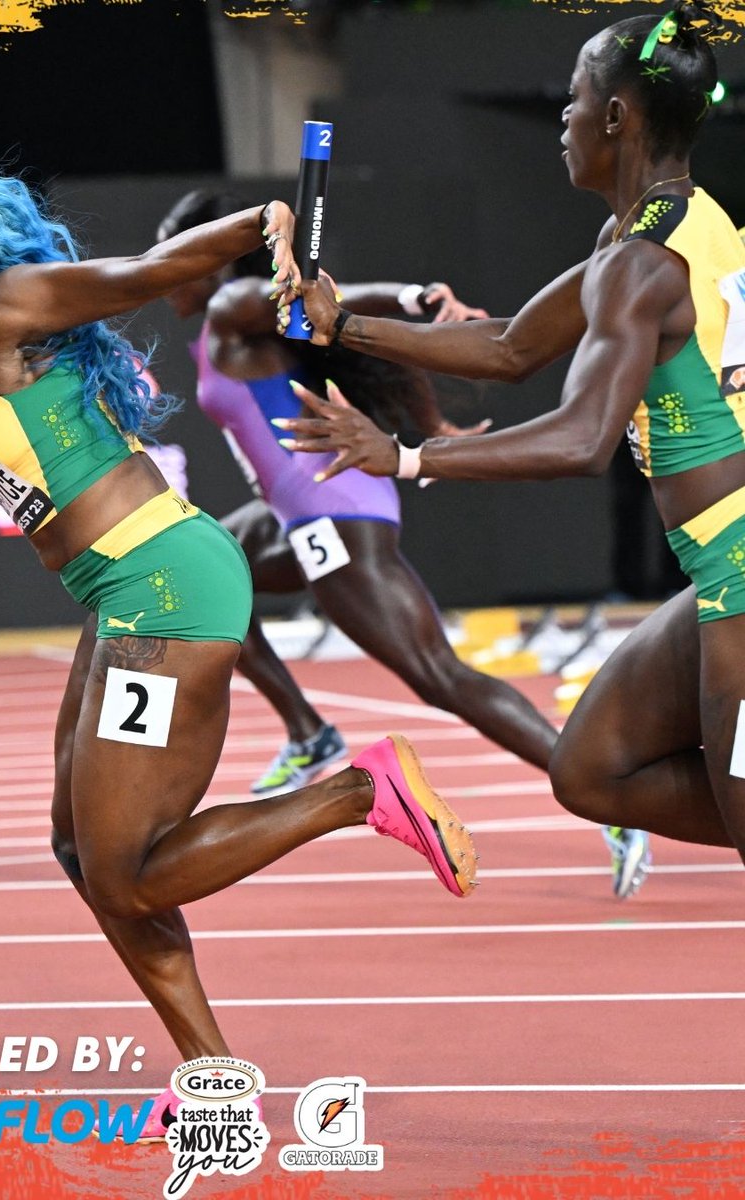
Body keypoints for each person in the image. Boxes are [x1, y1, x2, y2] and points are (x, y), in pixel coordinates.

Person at [0, 168, 478, 1141]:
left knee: (128, 871)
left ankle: (355, 791)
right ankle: (215, 1074)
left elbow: (145, 271)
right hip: (125, 594)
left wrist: (262, 220)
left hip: (167, 585)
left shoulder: (3, 311)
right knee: (83, 851)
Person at [275, 4, 743, 876]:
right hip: (722, 564)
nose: (560, 119)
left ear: (615, 116)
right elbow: (512, 345)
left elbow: (578, 439)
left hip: (742, 567)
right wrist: (341, 327)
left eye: (573, 98)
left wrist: (409, 455)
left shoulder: (640, 266)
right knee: (591, 768)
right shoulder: (660, 230)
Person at [155, 189, 558, 786]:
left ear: (206, 257)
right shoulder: (236, 329)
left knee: (438, 677)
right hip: (303, 510)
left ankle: (587, 777)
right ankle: (308, 733)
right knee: (194, 574)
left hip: (333, 516)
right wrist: (435, 418)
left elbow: (327, 304)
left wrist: (410, 297)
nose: (165, 276)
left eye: (174, 257)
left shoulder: (233, 305)